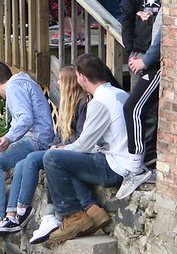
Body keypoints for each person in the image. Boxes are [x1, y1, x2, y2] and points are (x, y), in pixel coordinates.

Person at [42, 53, 143, 244]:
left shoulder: (100, 101)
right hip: (126, 161)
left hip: (114, 167)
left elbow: (84, 145)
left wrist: (60, 150)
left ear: (81, 77)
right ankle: (92, 210)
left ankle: (72, 216)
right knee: (65, 161)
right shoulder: (119, 93)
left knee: (52, 159)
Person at [0, 61, 57, 252]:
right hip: (25, 138)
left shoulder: (15, 86)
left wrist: (8, 137)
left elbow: (26, 119)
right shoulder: (19, 83)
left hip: (36, 140)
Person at [0, 64, 89, 240]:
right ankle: (11, 214)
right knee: (22, 163)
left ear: (69, 83)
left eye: (60, 80)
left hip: (73, 153)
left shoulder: (83, 103)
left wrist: (58, 148)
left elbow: (81, 136)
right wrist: (54, 145)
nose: (57, 83)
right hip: (60, 149)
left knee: (31, 160)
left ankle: (25, 210)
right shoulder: (67, 105)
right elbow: (59, 134)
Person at [117, 8, 161, 199]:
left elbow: (162, 39)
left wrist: (146, 61)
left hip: (158, 66)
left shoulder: (172, 3)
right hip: (152, 62)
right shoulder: (165, 5)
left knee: (133, 108)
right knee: (133, 107)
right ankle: (138, 163)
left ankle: (136, 167)